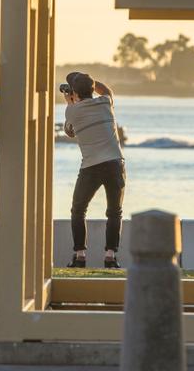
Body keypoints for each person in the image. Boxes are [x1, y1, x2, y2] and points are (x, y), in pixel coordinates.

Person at [63, 72, 126, 269]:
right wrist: (89, 85)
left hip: (91, 166)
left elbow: (69, 132)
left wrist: (70, 101)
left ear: (74, 91)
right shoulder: (106, 103)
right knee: (115, 212)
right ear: (92, 89)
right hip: (115, 163)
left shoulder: (72, 111)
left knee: (78, 210)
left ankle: (80, 255)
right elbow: (106, 90)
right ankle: (110, 256)